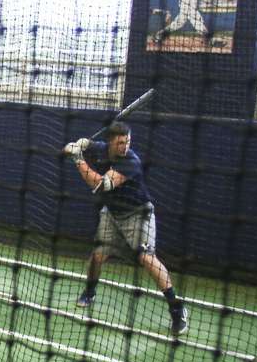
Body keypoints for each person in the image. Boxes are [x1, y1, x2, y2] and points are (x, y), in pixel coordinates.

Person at [63, 123, 188, 335]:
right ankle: (90, 292)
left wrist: (77, 158)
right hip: (112, 213)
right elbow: (91, 145)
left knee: (146, 258)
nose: (125, 146)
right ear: (111, 142)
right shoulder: (102, 148)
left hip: (139, 214)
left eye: (127, 142)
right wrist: (80, 144)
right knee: (97, 256)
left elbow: (100, 185)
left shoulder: (130, 161)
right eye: (120, 142)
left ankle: (177, 309)